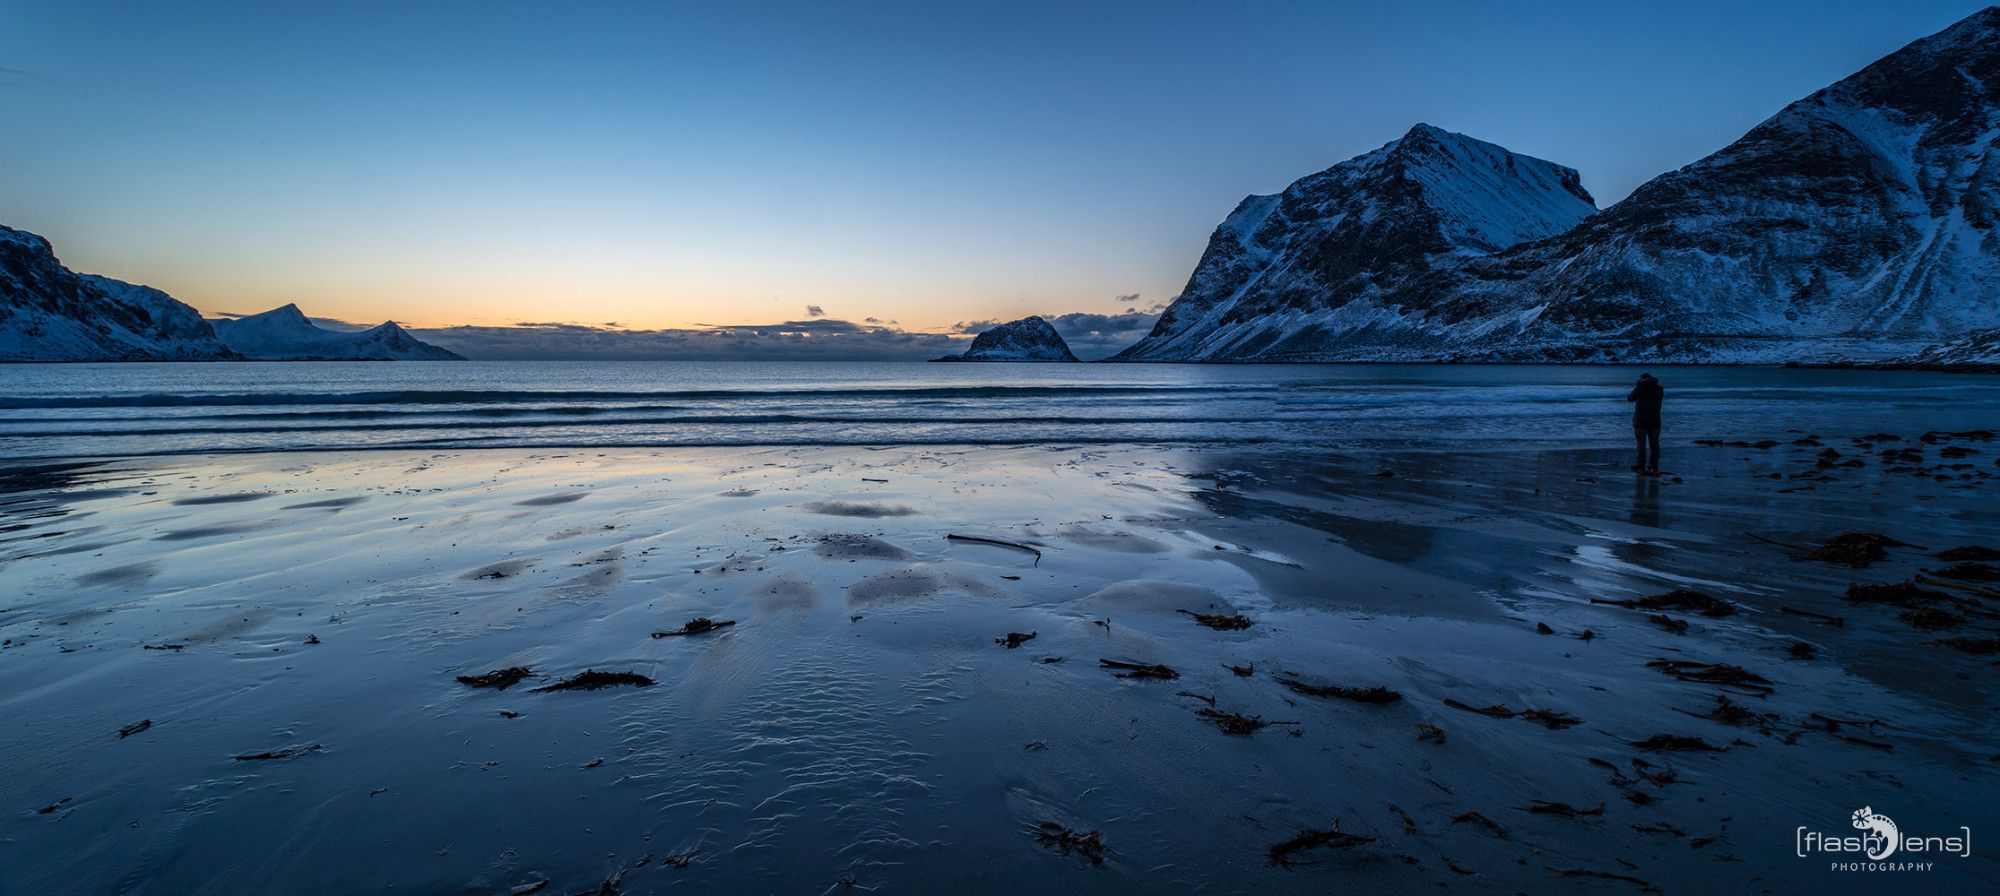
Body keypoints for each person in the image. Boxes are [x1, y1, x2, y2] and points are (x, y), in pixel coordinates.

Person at [1626, 372, 1664, 475]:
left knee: (1641, 444)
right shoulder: (1659, 389)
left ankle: (1641, 465)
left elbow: (1629, 398)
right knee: (1654, 444)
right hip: (1655, 420)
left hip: (1640, 420)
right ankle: (1654, 465)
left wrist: (1638, 385)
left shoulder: (1640, 388)